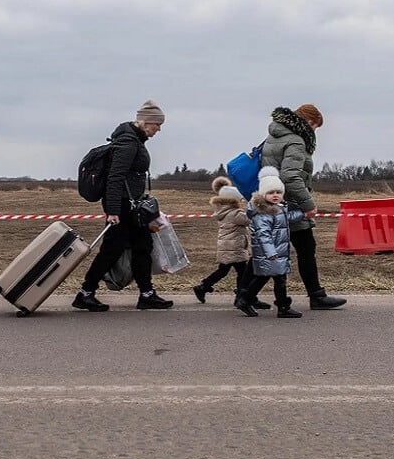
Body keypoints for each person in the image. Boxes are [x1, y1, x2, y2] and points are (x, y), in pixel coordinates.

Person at [73, 100, 173, 312]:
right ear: (146, 122)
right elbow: (115, 177)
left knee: (143, 248)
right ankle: (85, 293)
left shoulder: (135, 139)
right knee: (111, 250)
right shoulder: (128, 142)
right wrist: (112, 211)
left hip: (132, 206)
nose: (159, 129)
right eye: (157, 124)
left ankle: (146, 295)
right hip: (123, 207)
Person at [259, 104, 346, 310]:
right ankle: (316, 296)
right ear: (308, 122)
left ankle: (245, 293)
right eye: (315, 126)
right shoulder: (296, 140)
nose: (315, 132)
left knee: (267, 249)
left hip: (273, 201)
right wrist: (308, 203)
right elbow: (290, 176)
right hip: (290, 204)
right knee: (306, 248)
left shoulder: (275, 135)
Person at [235, 167, 305, 318]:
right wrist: (271, 252)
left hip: (277, 252)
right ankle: (280, 306)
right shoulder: (263, 212)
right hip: (269, 253)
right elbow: (263, 234)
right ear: (263, 194)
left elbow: (286, 219)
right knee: (274, 278)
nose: (275, 195)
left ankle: (250, 300)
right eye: (271, 192)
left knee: (271, 278)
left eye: (278, 192)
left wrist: (302, 214)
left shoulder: (278, 209)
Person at [191, 176, 266, 307]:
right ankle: (243, 297)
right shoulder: (235, 213)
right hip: (234, 246)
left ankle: (203, 286)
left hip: (228, 245)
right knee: (243, 273)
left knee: (224, 271)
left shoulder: (223, 211)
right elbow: (249, 219)